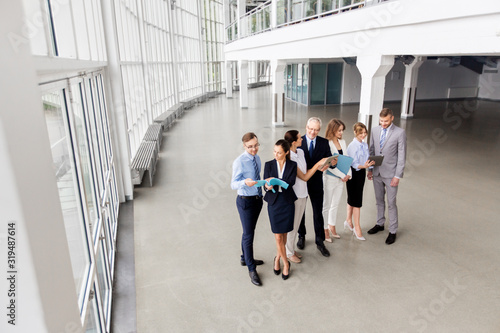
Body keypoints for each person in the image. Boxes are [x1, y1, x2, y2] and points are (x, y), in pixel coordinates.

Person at [284, 130, 329, 263]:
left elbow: (306, 171)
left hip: (303, 193)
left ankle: (292, 250)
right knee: (293, 225)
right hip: (296, 194)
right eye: (299, 138)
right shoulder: (290, 157)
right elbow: (304, 176)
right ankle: (288, 252)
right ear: (293, 142)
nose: (302, 139)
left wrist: (324, 164)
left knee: (297, 223)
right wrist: (318, 163)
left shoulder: (301, 152)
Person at [367, 108, 407, 245]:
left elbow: (402, 156)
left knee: (391, 203)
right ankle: (380, 223)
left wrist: (398, 176)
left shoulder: (400, 133)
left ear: (392, 118)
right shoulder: (374, 130)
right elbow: (372, 150)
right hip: (377, 171)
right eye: (381, 121)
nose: (383, 123)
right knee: (379, 200)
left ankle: (393, 231)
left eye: (386, 121)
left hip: (391, 174)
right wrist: (370, 170)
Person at [231, 132, 265, 286]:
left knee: (248, 232)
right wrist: (245, 182)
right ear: (244, 146)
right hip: (245, 202)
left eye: (256, 145)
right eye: (250, 147)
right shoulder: (239, 161)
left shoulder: (257, 158)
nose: (254, 149)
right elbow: (233, 184)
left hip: (257, 199)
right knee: (248, 234)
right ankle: (251, 268)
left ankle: (245, 258)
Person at [297, 117, 333, 257]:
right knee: (301, 211)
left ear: (319, 130)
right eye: (311, 129)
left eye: (316, 130)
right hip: (301, 182)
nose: (313, 132)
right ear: (306, 127)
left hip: (317, 183)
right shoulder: (299, 142)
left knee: (318, 213)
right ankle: (302, 236)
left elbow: (330, 159)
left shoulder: (324, 143)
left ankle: (320, 241)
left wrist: (329, 164)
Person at [263, 140, 297, 280]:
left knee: (284, 236)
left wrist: (276, 180)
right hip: (274, 203)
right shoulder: (268, 165)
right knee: (278, 236)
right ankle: (285, 263)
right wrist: (268, 186)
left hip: (287, 202)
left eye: (279, 152)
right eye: (274, 151)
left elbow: (291, 182)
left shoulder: (292, 165)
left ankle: (277, 258)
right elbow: (265, 184)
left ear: (286, 152)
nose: (275, 154)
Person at [322, 119, 351, 242]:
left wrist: (348, 174)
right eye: (339, 130)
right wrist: (341, 174)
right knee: (326, 205)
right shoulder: (326, 143)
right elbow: (329, 164)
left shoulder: (343, 142)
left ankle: (332, 225)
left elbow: (346, 159)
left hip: (341, 179)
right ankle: (324, 229)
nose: (341, 133)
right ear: (333, 130)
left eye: (342, 130)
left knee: (335, 204)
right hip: (330, 178)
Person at [345, 122, 375, 241]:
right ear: (355, 133)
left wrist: (369, 169)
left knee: (353, 199)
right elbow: (354, 164)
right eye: (360, 133)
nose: (363, 135)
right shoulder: (352, 146)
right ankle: (357, 227)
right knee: (356, 201)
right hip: (353, 173)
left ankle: (348, 220)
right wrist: (364, 166)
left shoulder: (365, 145)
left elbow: (366, 159)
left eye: (364, 133)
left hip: (361, 173)